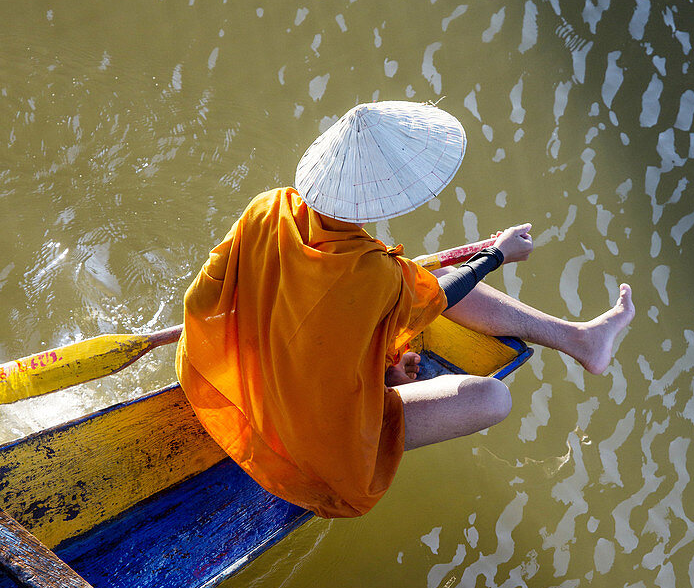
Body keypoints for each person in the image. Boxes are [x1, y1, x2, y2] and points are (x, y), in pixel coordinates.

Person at [176, 101, 634, 519]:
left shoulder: (268, 208)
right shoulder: (376, 275)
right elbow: (433, 296)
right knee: (494, 398)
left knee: (415, 280)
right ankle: (581, 341)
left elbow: (202, 299)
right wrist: (496, 255)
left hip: (232, 389)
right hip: (313, 457)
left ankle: (580, 339)